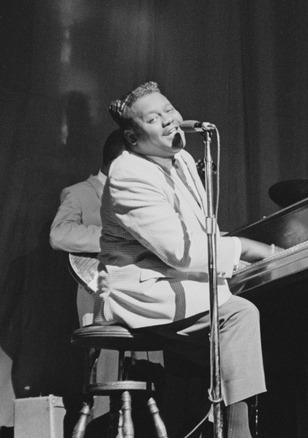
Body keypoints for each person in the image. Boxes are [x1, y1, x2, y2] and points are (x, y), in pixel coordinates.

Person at [99, 81, 274, 438]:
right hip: (147, 291)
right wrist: (249, 249)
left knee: (274, 309)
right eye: (154, 118)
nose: (168, 120)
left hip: (181, 283)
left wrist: (237, 263)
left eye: (169, 110)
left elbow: (200, 234)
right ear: (133, 138)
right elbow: (180, 252)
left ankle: (211, 424)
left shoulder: (180, 160)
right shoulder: (128, 174)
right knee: (239, 315)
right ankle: (238, 433)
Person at [49, 129, 126, 325]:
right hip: (99, 300)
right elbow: (59, 234)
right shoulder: (79, 193)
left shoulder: (145, 196)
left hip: (143, 297)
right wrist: (115, 238)